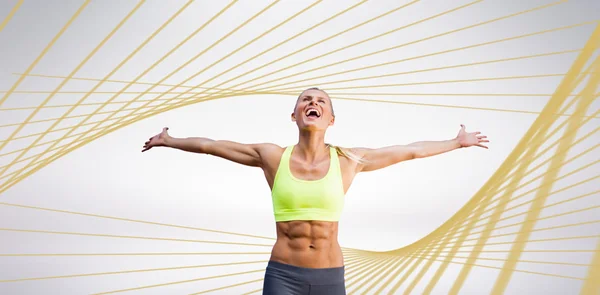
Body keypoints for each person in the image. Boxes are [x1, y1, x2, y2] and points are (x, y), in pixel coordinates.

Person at [141, 87, 489, 295]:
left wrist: (456, 143)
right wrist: (170, 141)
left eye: (321, 102)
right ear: (294, 115)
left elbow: (410, 150)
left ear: (330, 120)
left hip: (329, 277)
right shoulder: (272, 157)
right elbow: (211, 146)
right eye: (307, 100)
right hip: (283, 276)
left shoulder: (349, 160)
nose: (314, 103)